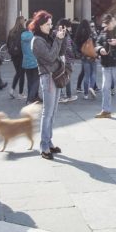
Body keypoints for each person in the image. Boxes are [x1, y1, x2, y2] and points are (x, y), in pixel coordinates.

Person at [29, 11, 66, 159]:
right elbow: (51, 58)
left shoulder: (47, 37)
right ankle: (44, 146)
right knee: (47, 112)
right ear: (39, 25)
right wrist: (57, 40)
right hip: (48, 77)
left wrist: (62, 37)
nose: (50, 27)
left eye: (51, 24)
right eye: (47, 25)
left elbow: (59, 52)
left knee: (53, 112)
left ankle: (49, 142)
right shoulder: (37, 41)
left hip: (55, 76)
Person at [74, 19, 98, 100]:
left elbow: (76, 46)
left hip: (84, 57)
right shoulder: (91, 33)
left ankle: (86, 94)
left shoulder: (79, 34)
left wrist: (80, 54)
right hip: (92, 56)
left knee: (86, 75)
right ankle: (91, 87)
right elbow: (96, 43)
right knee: (93, 73)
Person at [20, 21, 40, 104]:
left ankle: (34, 97)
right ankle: (30, 98)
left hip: (26, 61)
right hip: (34, 61)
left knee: (30, 81)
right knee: (37, 80)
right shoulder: (34, 37)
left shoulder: (22, 35)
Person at [6, 16, 26, 99]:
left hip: (14, 55)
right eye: (24, 20)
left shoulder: (11, 31)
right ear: (22, 22)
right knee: (22, 74)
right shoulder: (23, 31)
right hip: (21, 55)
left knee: (18, 73)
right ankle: (20, 94)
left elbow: (7, 44)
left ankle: (12, 90)